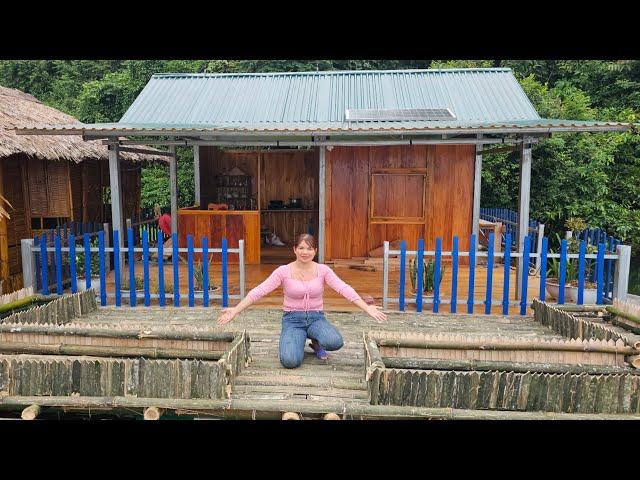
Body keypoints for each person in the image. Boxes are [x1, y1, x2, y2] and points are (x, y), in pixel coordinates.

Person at [217, 233, 387, 368]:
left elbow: (344, 289)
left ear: (315, 251)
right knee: (290, 361)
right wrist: (235, 310)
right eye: (301, 248)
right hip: (292, 320)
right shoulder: (283, 271)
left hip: (316, 318)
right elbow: (259, 291)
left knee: (335, 342)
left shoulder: (323, 270)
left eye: (309, 248)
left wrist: (367, 308)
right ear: (294, 250)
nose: (305, 252)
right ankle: (295, 340)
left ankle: (316, 342)